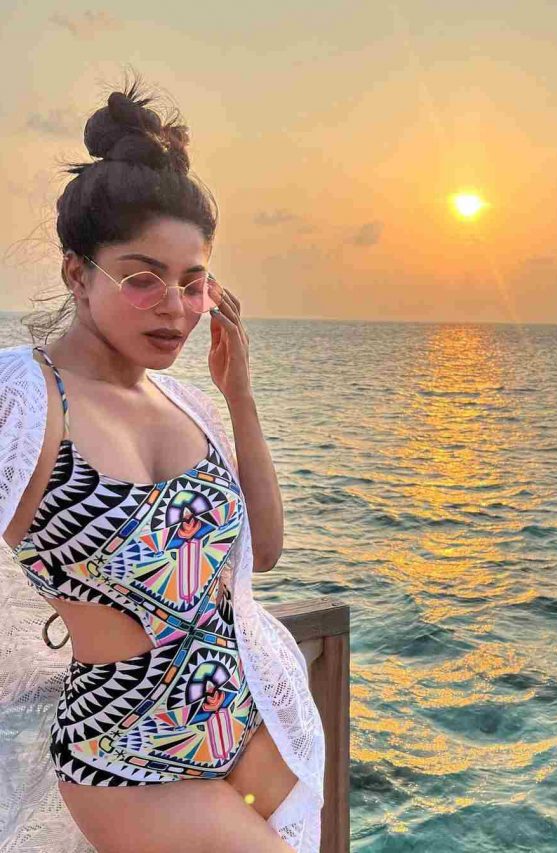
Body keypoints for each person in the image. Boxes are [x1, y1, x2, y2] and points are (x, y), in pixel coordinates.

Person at [0, 71, 325, 852]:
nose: (175, 307)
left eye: (192, 282)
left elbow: (264, 551)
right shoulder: (27, 398)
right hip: (128, 757)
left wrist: (239, 395)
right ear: (77, 273)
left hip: (243, 728)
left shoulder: (188, 405)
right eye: (143, 279)